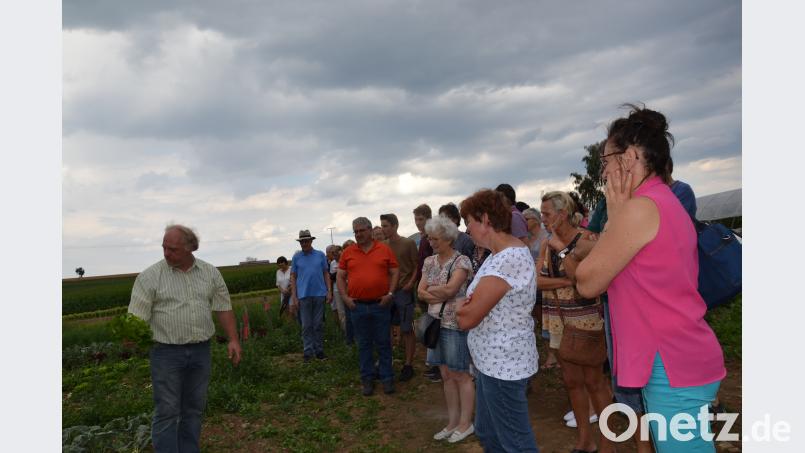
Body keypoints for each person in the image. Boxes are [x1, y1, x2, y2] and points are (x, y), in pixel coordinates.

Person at [575, 104, 725, 453]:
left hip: (670, 362)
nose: (604, 171)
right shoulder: (661, 200)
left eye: (606, 161)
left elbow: (586, 282)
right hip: (678, 356)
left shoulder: (641, 209)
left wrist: (614, 218)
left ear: (628, 158)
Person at [128, 224, 242, 453]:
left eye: (173, 249)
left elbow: (223, 307)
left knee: (194, 408)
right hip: (166, 353)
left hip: (201, 351)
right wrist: (130, 336)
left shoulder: (210, 273)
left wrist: (233, 339)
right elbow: (135, 317)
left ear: (191, 248)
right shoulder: (150, 277)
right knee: (167, 411)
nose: (166, 253)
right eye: (164, 248)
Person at [456, 189, 539, 453]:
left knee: (515, 442)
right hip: (494, 362)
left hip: (503, 364)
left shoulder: (507, 259)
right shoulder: (500, 254)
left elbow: (467, 317)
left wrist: (461, 307)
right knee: (488, 432)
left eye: (468, 221)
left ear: (485, 219)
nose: (467, 229)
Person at [538, 191, 612, 453]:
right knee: (571, 381)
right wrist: (568, 282)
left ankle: (606, 443)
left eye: (546, 213)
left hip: (587, 320)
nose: (542, 218)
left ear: (562, 214)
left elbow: (584, 279)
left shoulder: (587, 240)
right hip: (558, 319)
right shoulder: (548, 244)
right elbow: (538, 281)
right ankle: (585, 440)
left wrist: (563, 251)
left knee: (594, 382)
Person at [418, 215, 475, 443]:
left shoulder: (462, 261)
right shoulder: (429, 262)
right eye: (430, 239)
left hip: (455, 324)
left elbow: (451, 291)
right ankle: (452, 422)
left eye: (436, 239)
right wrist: (437, 290)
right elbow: (419, 292)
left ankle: (466, 423)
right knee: (446, 374)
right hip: (435, 323)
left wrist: (432, 289)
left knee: (461, 374)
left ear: (448, 238)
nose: (432, 243)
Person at [337, 217, 400, 396]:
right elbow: (340, 276)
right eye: (355, 232)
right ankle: (367, 379)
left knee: (383, 343)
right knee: (364, 344)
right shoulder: (348, 252)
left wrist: (390, 294)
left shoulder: (384, 249)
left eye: (361, 231)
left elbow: (395, 272)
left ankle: (387, 378)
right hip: (357, 306)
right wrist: (345, 297)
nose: (358, 235)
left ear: (370, 230)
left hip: (380, 305)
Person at [379, 213, 419, 382]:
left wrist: (411, 282)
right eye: (382, 226)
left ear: (395, 226)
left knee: (406, 329)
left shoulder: (408, 243)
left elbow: (417, 265)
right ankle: (388, 362)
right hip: (388, 292)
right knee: (386, 327)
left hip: (404, 291)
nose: (383, 229)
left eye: (386, 225)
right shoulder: (382, 246)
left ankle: (408, 364)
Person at [290, 229, 332, 362]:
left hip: (320, 294)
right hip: (303, 296)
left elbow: (326, 273)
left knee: (318, 324)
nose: (304, 243)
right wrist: (294, 297)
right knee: (306, 325)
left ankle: (319, 350)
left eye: (306, 241)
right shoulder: (297, 257)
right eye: (302, 241)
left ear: (311, 241)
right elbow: (293, 277)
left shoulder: (320, 255)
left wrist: (329, 291)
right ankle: (308, 351)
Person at [413, 203, 441, 383]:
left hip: (434, 288)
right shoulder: (423, 238)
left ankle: (438, 365)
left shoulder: (431, 238)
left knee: (435, 326)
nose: (417, 223)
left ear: (428, 218)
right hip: (424, 286)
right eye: (415, 219)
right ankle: (434, 363)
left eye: (420, 219)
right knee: (430, 324)